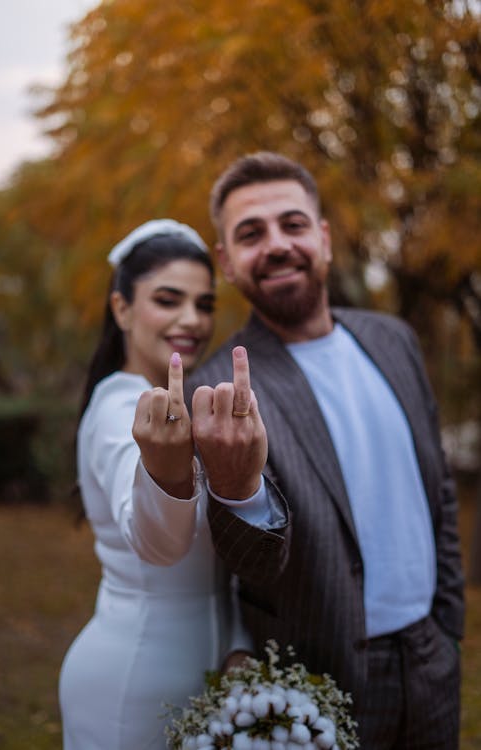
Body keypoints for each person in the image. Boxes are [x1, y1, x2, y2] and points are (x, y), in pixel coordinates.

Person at [185, 152, 465, 750]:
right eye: (250, 234)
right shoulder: (215, 392)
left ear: (324, 237)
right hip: (324, 680)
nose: (278, 244)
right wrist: (238, 491)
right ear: (227, 262)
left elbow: (437, 486)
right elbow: (254, 565)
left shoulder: (393, 340)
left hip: (433, 659)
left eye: (293, 223)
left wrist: (449, 626)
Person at [59, 219, 256, 750]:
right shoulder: (120, 407)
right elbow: (160, 545)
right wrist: (166, 475)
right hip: (133, 687)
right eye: (168, 300)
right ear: (121, 308)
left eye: (205, 304)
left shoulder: (187, 403)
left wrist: (239, 641)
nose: (192, 319)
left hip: (210, 678)